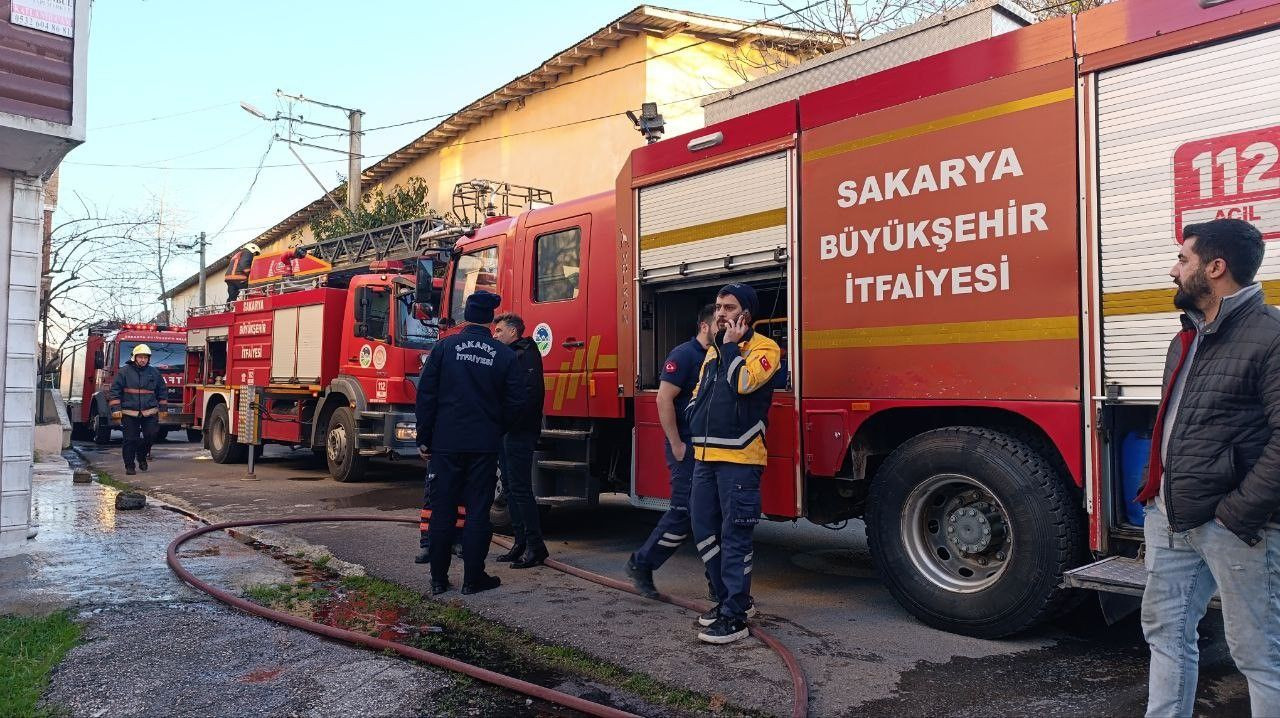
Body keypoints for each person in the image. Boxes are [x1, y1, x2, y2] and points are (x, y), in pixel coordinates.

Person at [1137, 218, 1280, 717]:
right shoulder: (1186, 337)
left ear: (1215, 268)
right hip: (1172, 518)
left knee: (1261, 656)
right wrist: (1156, 493)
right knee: (1166, 636)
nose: (1174, 269)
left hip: (1236, 527)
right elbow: (1175, 423)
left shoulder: (1272, 335)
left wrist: (1237, 513)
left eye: (1184, 258)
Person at [686, 283, 780, 644]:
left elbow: (742, 383)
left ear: (746, 314)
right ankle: (727, 597)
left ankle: (735, 614)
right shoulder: (713, 352)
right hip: (705, 457)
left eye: (728, 307)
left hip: (740, 458)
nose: (720, 313)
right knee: (702, 527)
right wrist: (694, 418)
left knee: (735, 534)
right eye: (718, 306)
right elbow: (698, 396)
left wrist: (729, 348)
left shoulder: (765, 349)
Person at [416, 290, 526, 595]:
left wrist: (424, 439)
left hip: (446, 443)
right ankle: (473, 579)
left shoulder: (444, 347)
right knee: (478, 511)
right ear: (491, 320)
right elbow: (518, 402)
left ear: (466, 316)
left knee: (443, 510)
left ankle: (438, 579)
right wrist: (497, 428)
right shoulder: (503, 354)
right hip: (483, 445)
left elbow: (426, 395)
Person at [625, 304, 715, 598]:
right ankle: (642, 563)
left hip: (709, 448)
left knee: (714, 515)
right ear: (704, 326)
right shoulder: (684, 355)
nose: (726, 327)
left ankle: (718, 584)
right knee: (683, 512)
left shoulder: (717, 355)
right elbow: (664, 399)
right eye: (720, 323)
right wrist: (677, 444)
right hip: (687, 447)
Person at [491, 312, 549, 569]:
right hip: (508, 431)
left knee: (521, 489)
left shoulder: (524, 356)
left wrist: (506, 423)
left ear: (513, 332)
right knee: (511, 488)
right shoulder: (512, 355)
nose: (496, 335)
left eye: (500, 330)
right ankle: (520, 543)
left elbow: (525, 398)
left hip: (519, 432)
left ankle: (536, 547)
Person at [108, 344, 167, 476]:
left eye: (145, 357)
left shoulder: (154, 373)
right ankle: (130, 466)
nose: (143, 360)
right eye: (140, 357)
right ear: (134, 357)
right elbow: (115, 392)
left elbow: (162, 391)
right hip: (129, 412)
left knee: (151, 436)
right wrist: (116, 409)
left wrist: (163, 409)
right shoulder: (124, 372)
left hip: (149, 411)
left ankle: (141, 456)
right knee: (130, 439)